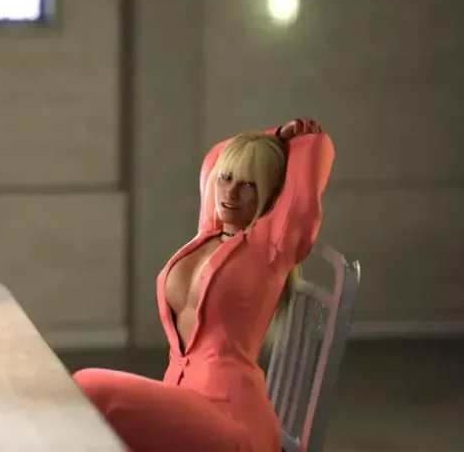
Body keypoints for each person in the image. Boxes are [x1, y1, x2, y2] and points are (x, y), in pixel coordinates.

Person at [74, 119, 334, 452]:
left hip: (232, 420)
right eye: (226, 178)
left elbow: (315, 147)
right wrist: (272, 136)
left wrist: (285, 141)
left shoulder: (271, 247)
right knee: (85, 409)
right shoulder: (208, 232)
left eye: (249, 184)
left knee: (90, 388)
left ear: (270, 195)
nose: (231, 192)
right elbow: (216, 156)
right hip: (185, 407)